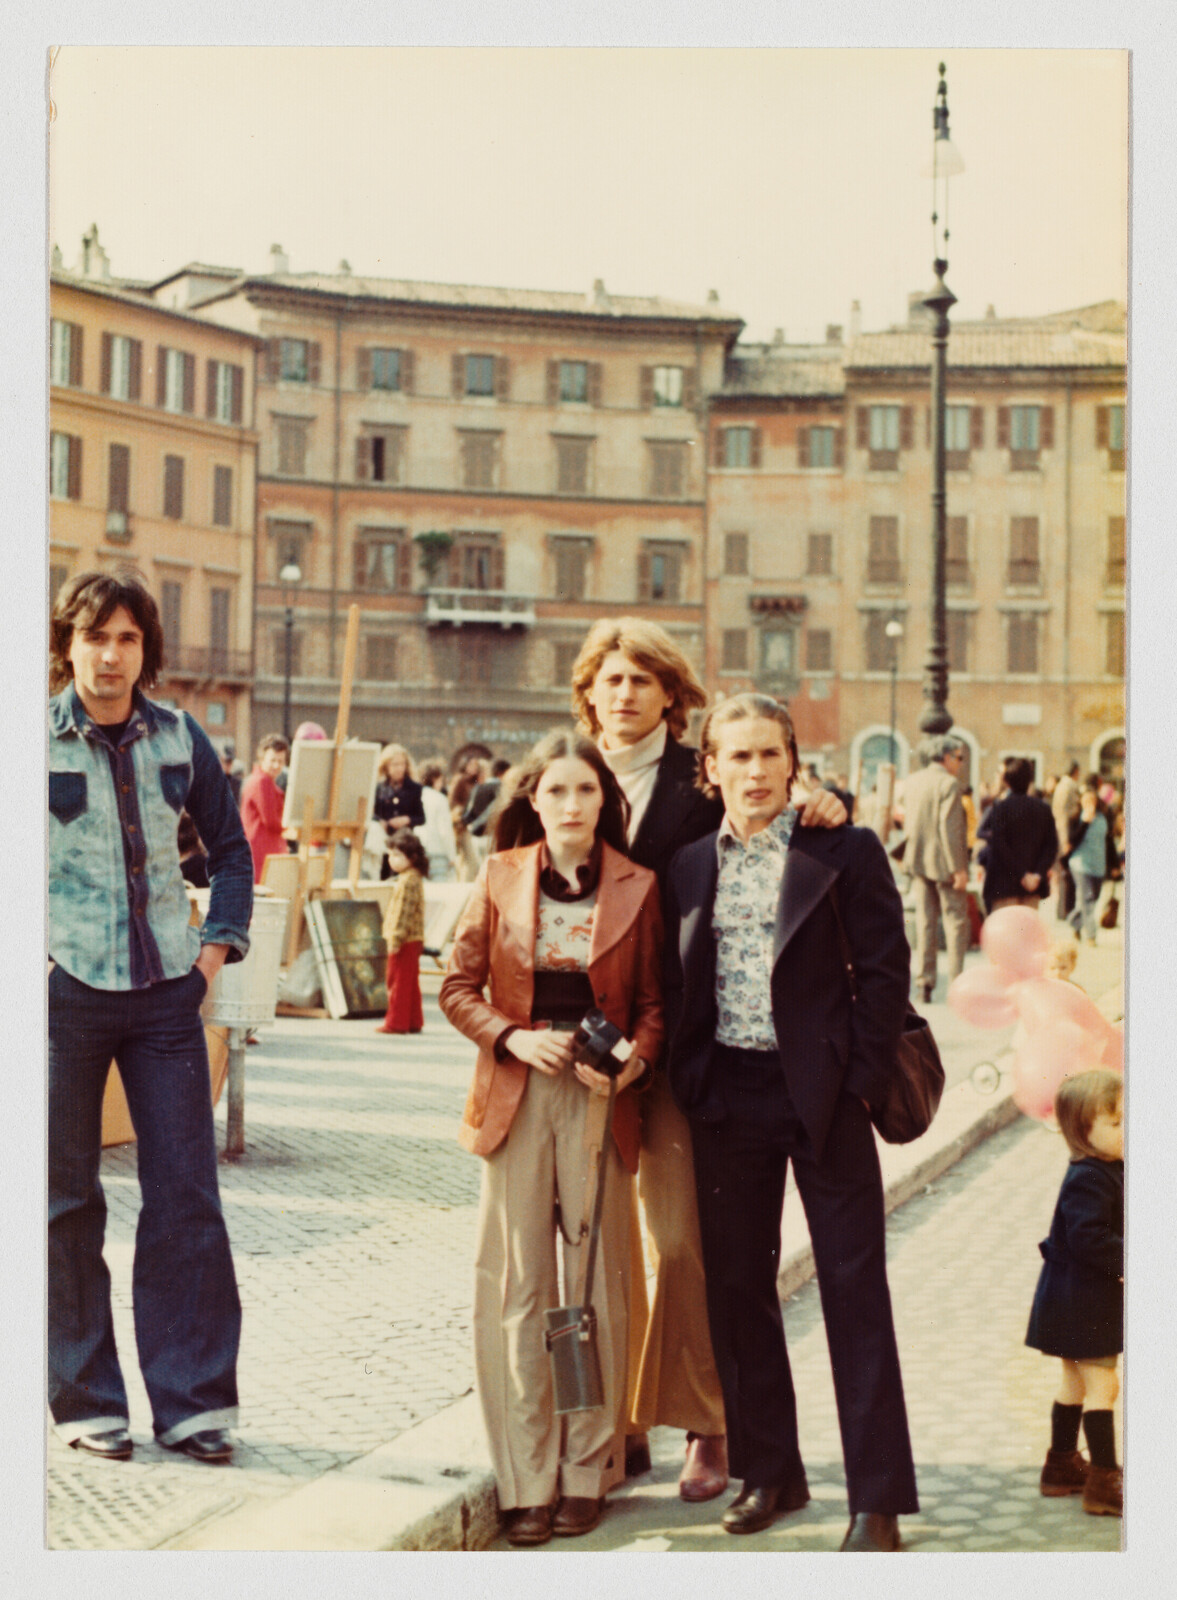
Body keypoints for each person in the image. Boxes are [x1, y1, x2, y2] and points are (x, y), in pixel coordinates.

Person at [571, 618, 847, 1503]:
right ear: (588, 694)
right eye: (611, 681)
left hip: (677, 1048)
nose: (625, 696)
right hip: (570, 1051)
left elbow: (770, 802)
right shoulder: (555, 776)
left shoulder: (705, 783)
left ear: (672, 698)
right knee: (580, 1248)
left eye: (643, 681)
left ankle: (704, 1420)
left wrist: (823, 798)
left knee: (684, 1243)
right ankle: (602, 1425)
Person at [662, 693, 917, 1549]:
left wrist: (855, 1086)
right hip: (727, 1098)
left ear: (792, 762)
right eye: (737, 757)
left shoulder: (842, 850)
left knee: (854, 1290)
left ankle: (875, 1497)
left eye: (770, 755)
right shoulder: (691, 865)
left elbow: (886, 974)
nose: (756, 772)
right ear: (711, 770)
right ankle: (771, 1471)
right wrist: (693, 1079)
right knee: (738, 1290)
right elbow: (677, 980)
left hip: (824, 1100)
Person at [439, 731, 664, 1547]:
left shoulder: (639, 886)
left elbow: (651, 1004)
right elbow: (457, 984)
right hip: (519, 1089)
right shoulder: (499, 878)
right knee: (520, 1289)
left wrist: (631, 1062)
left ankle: (585, 1471)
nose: (572, 806)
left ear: (606, 801)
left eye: (587, 792)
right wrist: (510, 1036)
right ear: (534, 800)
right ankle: (526, 1476)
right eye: (557, 792)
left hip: (599, 1096)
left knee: (593, 1290)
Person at [48, 572, 253, 1463]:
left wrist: (214, 953)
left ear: (145, 651)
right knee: (62, 1205)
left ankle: (195, 1403)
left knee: (186, 1199)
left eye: (127, 638)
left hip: (169, 998)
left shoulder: (181, 737)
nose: (109, 653)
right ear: (68, 644)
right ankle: (87, 1402)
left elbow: (234, 852)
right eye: (95, 636)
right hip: (63, 998)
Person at [1025, 1068, 1123, 1518]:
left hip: (1070, 1300)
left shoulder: (1107, 1168)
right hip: (1085, 1302)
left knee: (1075, 1382)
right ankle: (1104, 1482)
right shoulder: (1089, 1176)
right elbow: (1090, 1239)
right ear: (1084, 1131)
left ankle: (1060, 1467)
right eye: (1118, 1123)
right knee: (1104, 1384)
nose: (1129, 1130)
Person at [900, 734, 970, 1003]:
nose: (961, 763)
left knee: (926, 923)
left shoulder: (914, 781)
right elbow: (949, 828)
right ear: (947, 757)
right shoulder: (949, 784)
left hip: (917, 860)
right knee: (955, 923)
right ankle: (956, 983)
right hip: (944, 863)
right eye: (959, 757)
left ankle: (924, 983)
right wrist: (958, 868)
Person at [975, 756, 1058, 914]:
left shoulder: (1000, 808)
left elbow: (999, 845)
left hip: (1004, 884)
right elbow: (1051, 846)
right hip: (1033, 886)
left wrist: (1021, 874)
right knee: (1027, 933)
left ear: (1006, 781)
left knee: (1006, 934)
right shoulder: (1043, 809)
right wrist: (1037, 874)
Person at [376, 831, 428, 1035]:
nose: (392, 860)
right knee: (409, 983)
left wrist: (395, 937)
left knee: (397, 982)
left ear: (412, 857)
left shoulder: (407, 880)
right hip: (413, 938)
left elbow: (402, 912)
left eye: (397, 855)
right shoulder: (413, 877)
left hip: (404, 939)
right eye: (390, 855)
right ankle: (414, 1020)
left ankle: (396, 1022)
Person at [239, 733, 290, 883]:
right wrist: (294, 825)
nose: (276, 765)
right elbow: (272, 822)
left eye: (281, 761)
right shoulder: (263, 782)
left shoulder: (257, 780)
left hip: (256, 851)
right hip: (262, 853)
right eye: (272, 760)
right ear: (262, 759)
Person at [1067, 777, 1110, 945]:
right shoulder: (1076, 818)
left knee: (1093, 898)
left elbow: (1107, 842)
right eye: (1086, 800)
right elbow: (1072, 841)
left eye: (1092, 800)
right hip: (1080, 863)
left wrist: (1112, 865)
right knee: (1087, 898)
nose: (1089, 803)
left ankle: (1074, 923)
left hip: (1098, 865)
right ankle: (1091, 935)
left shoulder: (1102, 819)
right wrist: (1085, 822)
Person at [374, 744, 426, 879]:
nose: (399, 769)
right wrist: (381, 822)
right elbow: (373, 813)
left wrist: (407, 820)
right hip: (384, 841)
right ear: (386, 766)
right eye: (395, 765)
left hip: (404, 845)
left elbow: (421, 817)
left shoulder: (414, 788)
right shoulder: (379, 788)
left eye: (402, 764)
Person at [415, 760, 459, 881]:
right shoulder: (440, 799)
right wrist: (452, 856)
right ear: (434, 779)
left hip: (419, 850)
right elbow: (444, 830)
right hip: (437, 851)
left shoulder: (416, 796)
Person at [1052, 761, 1082, 921]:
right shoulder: (1068, 786)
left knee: (1065, 875)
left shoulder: (1063, 785)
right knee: (1066, 875)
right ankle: (1065, 910)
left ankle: (1063, 910)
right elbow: (1063, 815)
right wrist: (1065, 840)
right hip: (1066, 833)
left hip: (1063, 832)